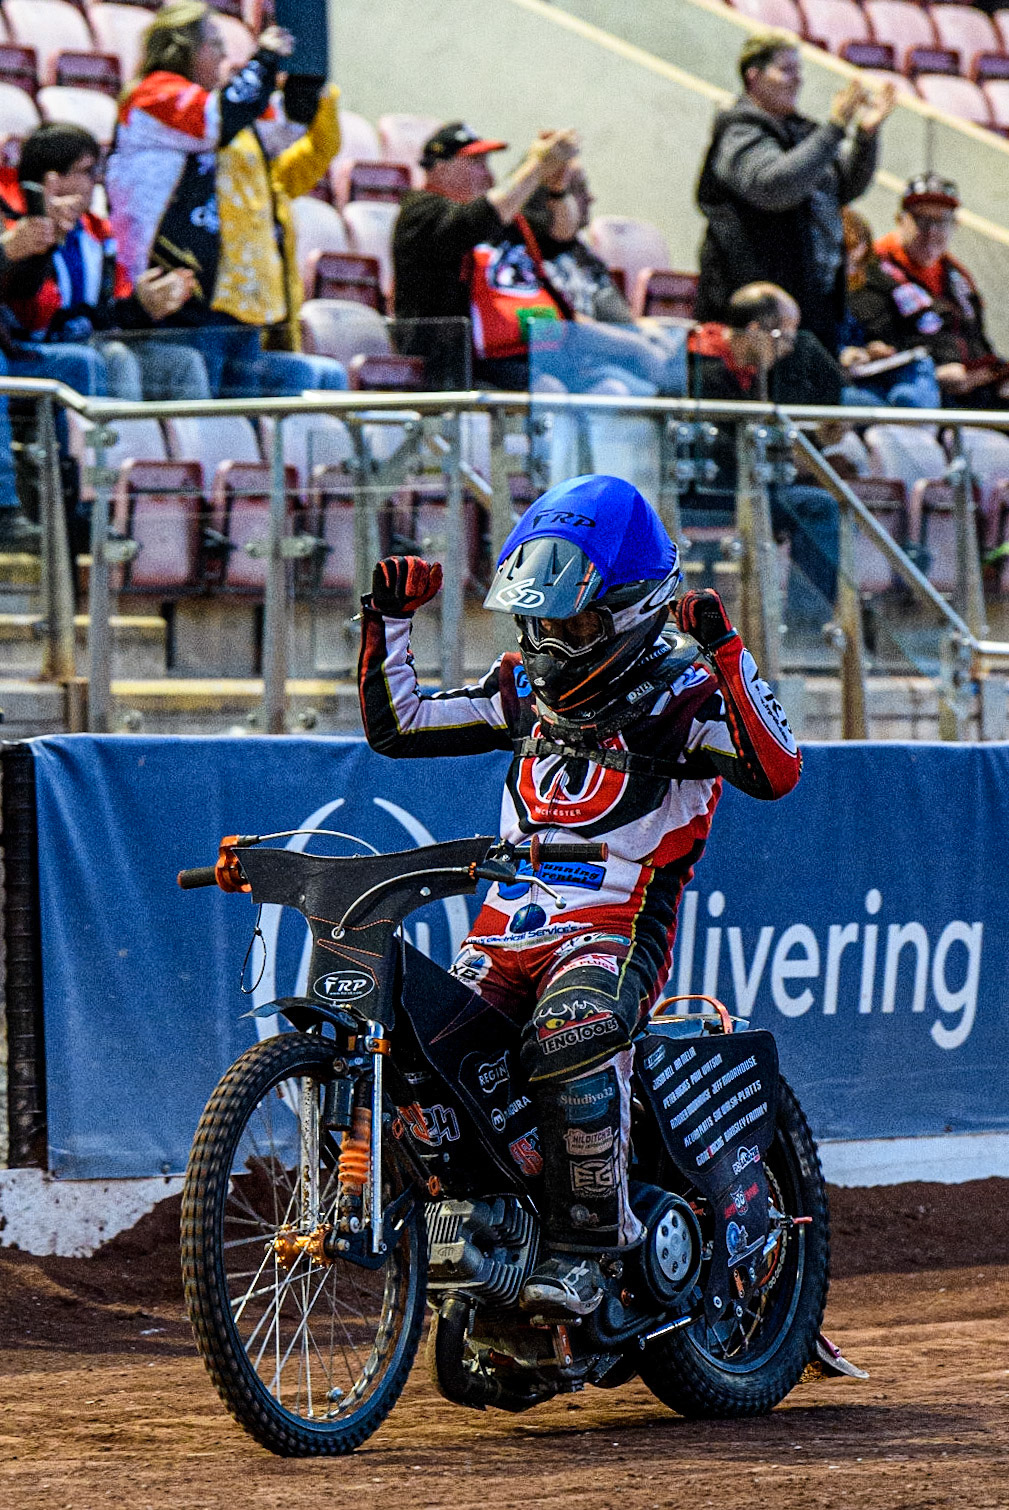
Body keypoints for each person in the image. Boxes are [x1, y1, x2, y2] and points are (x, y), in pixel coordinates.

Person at [358, 474, 801, 1317]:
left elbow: (776, 771)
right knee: (426, 1050)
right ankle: (481, 1236)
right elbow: (400, 726)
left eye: (576, 622)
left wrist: (727, 652)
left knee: (572, 1035)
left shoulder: (685, 692)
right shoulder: (522, 684)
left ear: (633, 611)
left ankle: (592, 1248)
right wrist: (387, 620)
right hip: (505, 921)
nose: (554, 641)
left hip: (617, 922)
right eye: (544, 621)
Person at [106, 0, 347, 398]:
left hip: (228, 294)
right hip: (173, 295)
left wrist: (305, 74)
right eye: (213, 43)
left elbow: (285, 132)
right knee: (203, 424)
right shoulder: (153, 96)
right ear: (183, 47)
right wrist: (264, 57)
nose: (222, 54)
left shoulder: (216, 105)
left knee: (248, 423)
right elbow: (217, 120)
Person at [695, 30, 896, 356]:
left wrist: (866, 135)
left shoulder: (802, 131)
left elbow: (844, 187)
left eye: (799, 71)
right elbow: (773, 187)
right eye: (786, 70)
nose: (797, 81)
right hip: (757, 310)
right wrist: (834, 130)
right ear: (754, 76)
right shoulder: (739, 130)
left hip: (811, 301)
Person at [0, 123, 206, 401]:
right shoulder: (17, 228)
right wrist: (42, 249)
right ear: (54, 178)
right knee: (114, 359)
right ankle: (114, 445)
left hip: (89, 345)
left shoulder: (99, 233)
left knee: (184, 362)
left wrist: (141, 307)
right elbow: (33, 319)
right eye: (87, 171)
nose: (97, 180)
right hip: (34, 350)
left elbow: (104, 318)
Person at [391, 119, 581, 387]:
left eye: (487, 163)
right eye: (476, 163)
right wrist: (536, 166)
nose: (487, 173)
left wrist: (558, 188)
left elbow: (561, 235)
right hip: (461, 369)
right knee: (549, 389)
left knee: (617, 385)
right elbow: (476, 220)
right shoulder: (421, 212)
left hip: (530, 353)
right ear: (440, 168)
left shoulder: (507, 221)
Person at [686, 282, 840, 609]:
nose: (788, 348)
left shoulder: (753, 373)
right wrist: (788, 457)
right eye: (784, 337)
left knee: (817, 499)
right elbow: (722, 449)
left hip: (743, 485)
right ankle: (807, 625)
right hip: (706, 493)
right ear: (756, 331)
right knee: (817, 506)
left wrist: (811, 442)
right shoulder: (700, 369)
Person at [859, 175, 1009, 410]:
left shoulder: (957, 276)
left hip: (975, 396)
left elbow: (978, 340)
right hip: (914, 394)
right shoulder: (873, 268)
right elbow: (879, 341)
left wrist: (994, 375)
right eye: (922, 220)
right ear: (901, 220)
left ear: (955, 225)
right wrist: (940, 371)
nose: (932, 232)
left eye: (942, 222)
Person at [837, 207, 941, 410]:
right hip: (853, 385)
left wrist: (869, 351)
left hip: (886, 372)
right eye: (847, 265)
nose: (852, 274)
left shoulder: (886, 281)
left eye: (858, 265)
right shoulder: (818, 297)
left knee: (916, 372)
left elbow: (928, 324)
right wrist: (843, 354)